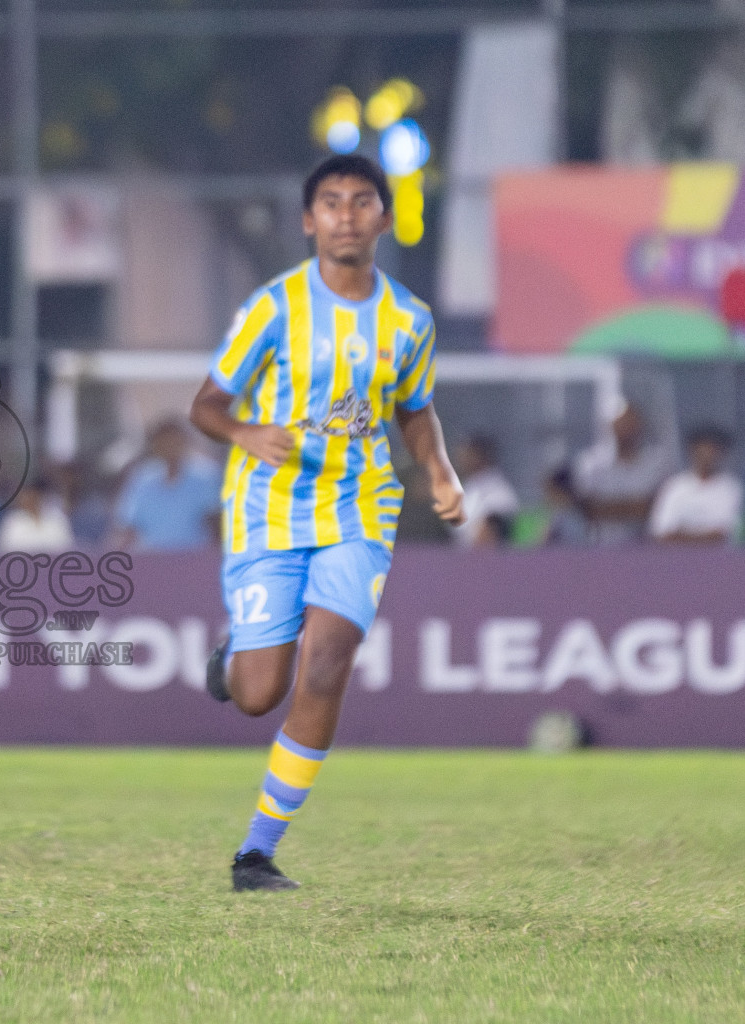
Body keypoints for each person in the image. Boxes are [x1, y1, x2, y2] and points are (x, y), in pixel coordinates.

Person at [189, 154, 464, 892]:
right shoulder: (274, 308)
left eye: (361, 201)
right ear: (309, 221)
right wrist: (245, 432)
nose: (346, 214)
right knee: (256, 694)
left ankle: (256, 851)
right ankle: (233, 661)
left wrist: (437, 469)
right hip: (267, 511)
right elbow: (205, 404)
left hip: (360, 508)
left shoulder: (409, 320)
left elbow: (412, 407)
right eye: (331, 203)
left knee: (328, 662)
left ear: (383, 216)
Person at [111, 418, 222, 550]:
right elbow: (128, 527)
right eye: (163, 441)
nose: (169, 446)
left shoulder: (206, 475)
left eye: (174, 440)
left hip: (195, 560)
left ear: (185, 442)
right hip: (151, 561)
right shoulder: (142, 478)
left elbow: (217, 524)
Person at [572, 404, 673, 545]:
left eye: (631, 421)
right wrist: (634, 507)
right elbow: (586, 509)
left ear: (640, 425)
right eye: (621, 422)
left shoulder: (657, 463)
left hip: (647, 547)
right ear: (611, 425)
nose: (626, 427)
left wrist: (608, 507)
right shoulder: (591, 463)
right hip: (600, 546)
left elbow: (656, 508)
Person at [648, 424, 742, 545]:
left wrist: (681, 535)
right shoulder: (674, 486)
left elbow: (725, 534)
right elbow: (661, 532)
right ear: (692, 449)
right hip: (677, 559)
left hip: (721, 559)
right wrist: (701, 537)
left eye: (713, 449)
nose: (708, 454)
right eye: (703, 448)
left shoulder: (732, 488)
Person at [452, 434, 519, 548]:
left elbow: (489, 537)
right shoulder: (469, 486)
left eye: (466, 455)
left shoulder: (498, 492)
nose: (460, 459)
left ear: (479, 456)